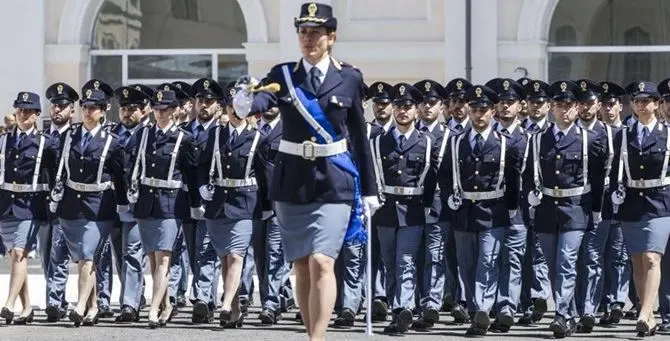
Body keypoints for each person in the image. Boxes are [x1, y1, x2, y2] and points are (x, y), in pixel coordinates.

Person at [239, 3, 378, 340]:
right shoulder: (284, 75)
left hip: (335, 181)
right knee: (301, 265)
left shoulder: (349, 78)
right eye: (303, 32)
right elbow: (261, 104)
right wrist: (245, 101)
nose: (309, 38)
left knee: (322, 261)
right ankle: (310, 331)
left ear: (332, 37)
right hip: (292, 184)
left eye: (316, 32)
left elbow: (359, 136)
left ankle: (319, 338)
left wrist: (371, 190)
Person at [523, 80, 606, 338]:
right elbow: (528, 176)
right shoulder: (538, 140)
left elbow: (596, 177)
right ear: (551, 108)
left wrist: (595, 211)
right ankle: (569, 314)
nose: (564, 110)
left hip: (575, 208)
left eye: (569, 105)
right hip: (547, 209)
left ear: (577, 107)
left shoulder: (588, 139)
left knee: (566, 263)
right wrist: (530, 200)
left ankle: (560, 313)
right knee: (552, 265)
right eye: (559, 105)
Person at [50, 85, 127, 327]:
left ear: (104, 111)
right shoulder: (69, 136)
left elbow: (120, 176)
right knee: (85, 259)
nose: (87, 111)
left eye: (93, 108)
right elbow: (59, 169)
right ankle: (93, 307)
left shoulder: (112, 143)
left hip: (99, 207)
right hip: (71, 206)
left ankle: (80, 305)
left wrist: (123, 204)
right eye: (84, 107)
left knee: (87, 257)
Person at [126, 89, 196, 327]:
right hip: (147, 202)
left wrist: (195, 204)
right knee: (153, 259)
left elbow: (190, 173)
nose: (159, 113)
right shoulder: (143, 134)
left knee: (164, 256)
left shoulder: (183, 139)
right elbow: (131, 164)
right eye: (156, 109)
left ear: (175, 110)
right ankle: (166, 305)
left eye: (164, 109)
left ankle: (153, 309)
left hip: (171, 203)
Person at [610, 81, 669, 337]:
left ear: (657, 104)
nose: (641, 105)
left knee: (652, 257)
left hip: (661, 201)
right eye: (637, 101)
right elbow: (615, 172)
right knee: (637, 261)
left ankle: (644, 313)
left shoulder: (668, 133)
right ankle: (651, 317)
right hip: (632, 201)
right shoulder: (624, 134)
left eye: (646, 100)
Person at [0, 92, 59, 325]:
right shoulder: (4, 140)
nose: (23, 114)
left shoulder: (47, 143)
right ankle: (26, 308)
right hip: (5, 205)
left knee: (19, 253)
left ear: (37, 114)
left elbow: (54, 175)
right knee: (14, 258)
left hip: (31, 205)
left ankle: (9, 304)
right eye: (20, 110)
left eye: (28, 111)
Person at [107, 85, 153, 323]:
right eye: (123, 108)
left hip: (139, 204)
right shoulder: (111, 134)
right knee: (119, 253)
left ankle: (129, 304)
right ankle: (135, 294)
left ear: (144, 110)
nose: (126, 113)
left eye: (132, 109)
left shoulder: (151, 133)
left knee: (132, 253)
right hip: (113, 204)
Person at [42, 82, 78, 322]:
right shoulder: (42, 136)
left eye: (63, 106)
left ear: (71, 111)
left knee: (59, 255)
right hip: (42, 205)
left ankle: (54, 302)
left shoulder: (75, 136)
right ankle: (58, 299)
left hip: (67, 204)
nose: (58, 110)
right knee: (46, 257)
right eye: (55, 105)